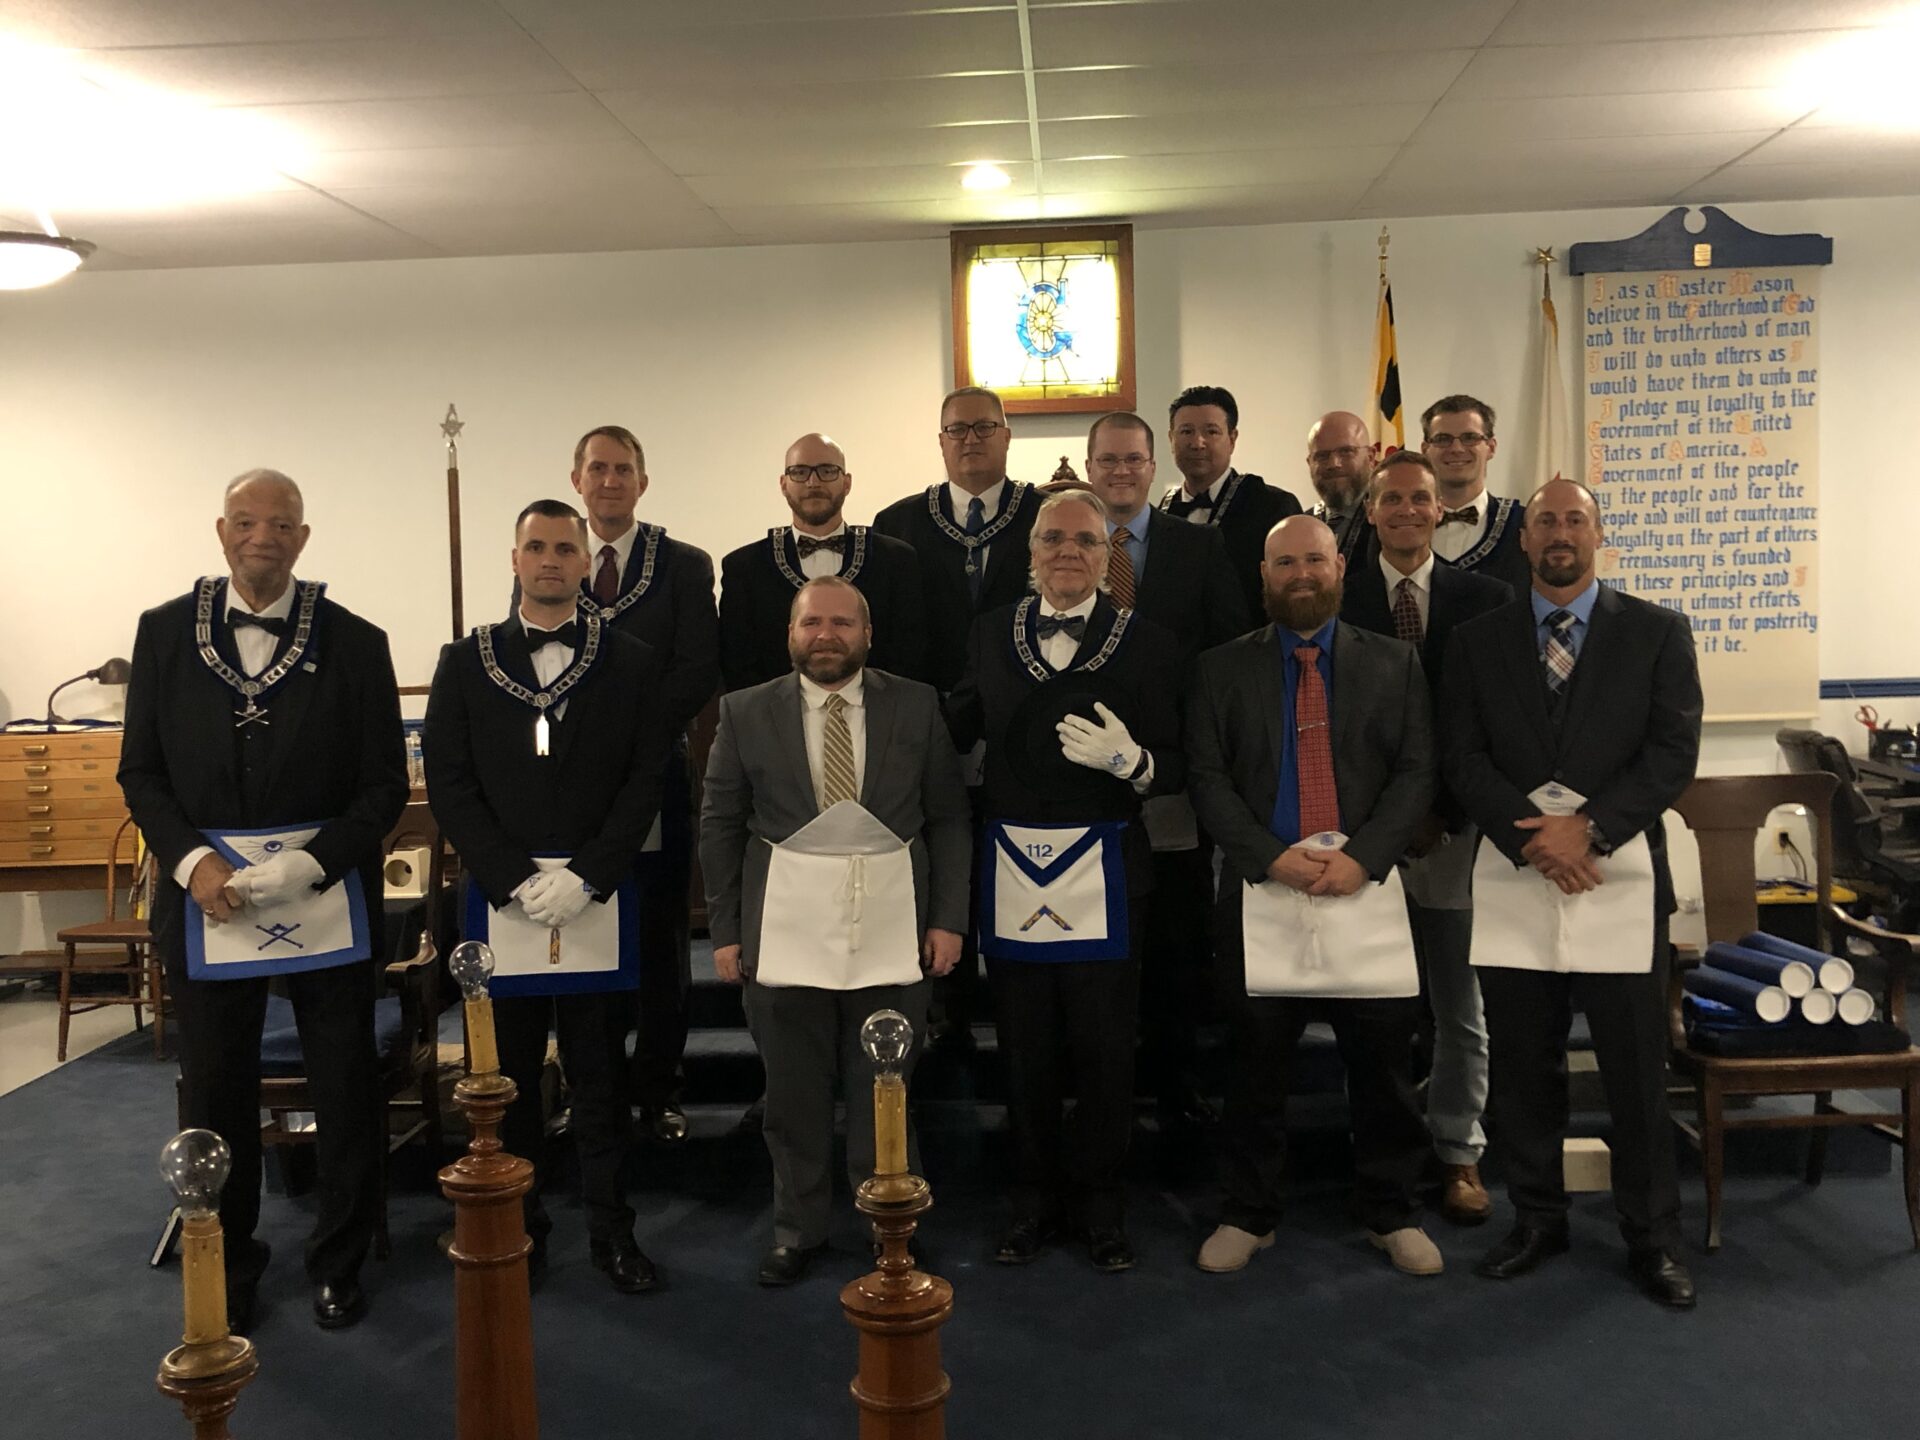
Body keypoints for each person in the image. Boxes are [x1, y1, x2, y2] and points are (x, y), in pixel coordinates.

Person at [120, 469, 407, 1333]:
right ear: (221, 531)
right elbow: (142, 771)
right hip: (209, 906)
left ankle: (341, 1259)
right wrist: (192, 864)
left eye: (280, 523)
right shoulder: (165, 634)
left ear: (303, 536)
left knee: (346, 1086)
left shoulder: (358, 641)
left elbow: (384, 784)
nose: (263, 537)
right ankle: (229, 1262)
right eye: (247, 522)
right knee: (216, 1089)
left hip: (328, 902)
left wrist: (316, 863)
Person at [1441, 477, 1702, 1308]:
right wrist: (1534, 833)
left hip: (1616, 876)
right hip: (1517, 871)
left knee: (1633, 1075)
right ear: (1523, 539)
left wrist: (1588, 830)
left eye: (1575, 519)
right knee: (1524, 1071)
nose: (1560, 532)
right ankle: (1537, 1220)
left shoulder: (1657, 633)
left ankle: (1652, 1239)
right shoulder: (1477, 640)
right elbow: (1462, 756)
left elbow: (1671, 753)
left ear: (1599, 534)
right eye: (1545, 519)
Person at [426, 498, 673, 1293]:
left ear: (581, 559)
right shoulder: (464, 662)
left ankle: (612, 1234)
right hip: (504, 902)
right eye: (536, 546)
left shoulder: (630, 659)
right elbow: (451, 783)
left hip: (598, 897)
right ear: (515, 558)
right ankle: (522, 1230)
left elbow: (647, 778)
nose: (551, 561)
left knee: (602, 1080)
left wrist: (592, 873)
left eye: (565, 548)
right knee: (510, 1079)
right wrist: (513, 878)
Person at [1186, 515, 1442, 1278]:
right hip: (1265, 890)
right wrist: (1271, 858)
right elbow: (1208, 779)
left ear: (1340, 567)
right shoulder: (1218, 670)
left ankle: (1390, 1211)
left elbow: (1416, 773)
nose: (1302, 574)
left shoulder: (1395, 664)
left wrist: (1362, 859)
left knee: (1385, 1070)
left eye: (1315, 560)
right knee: (1254, 1068)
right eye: (1285, 562)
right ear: (1263, 574)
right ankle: (1249, 1211)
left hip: (1365, 888)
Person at [700, 577, 970, 1285]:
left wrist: (946, 919)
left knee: (886, 1084)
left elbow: (946, 816)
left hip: (892, 928)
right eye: (811, 622)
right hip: (783, 931)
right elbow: (721, 824)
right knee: (792, 1097)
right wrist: (726, 930)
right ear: (790, 634)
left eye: (842, 623)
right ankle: (800, 1229)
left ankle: (891, 1223)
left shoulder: (915, 704)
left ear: (867, 633)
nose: (826, 635)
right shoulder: (744, 712)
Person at [947, 490, 1185, 1271]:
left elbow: (1184, 755)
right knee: (1025, 1051)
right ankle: (1030, 1203)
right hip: (1013, 867)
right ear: (1031, 551)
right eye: (1052, 538)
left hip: (1110, 867)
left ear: (1105, 554)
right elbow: (956, 727)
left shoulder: (1146, 642)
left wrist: (1135, 764)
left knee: (1106, 1051)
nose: (1066, 552)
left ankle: (1102, 1209)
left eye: (1084, 540)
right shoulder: (988, 634)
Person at [1340, 452, 1512, 1224]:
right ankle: (1378, 1156)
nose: (1406, 510)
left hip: (1452, 833)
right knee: (1370, 1011)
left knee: (1457, 1006)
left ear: (1439, 509)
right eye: (1391, 499)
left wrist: (1441, 810)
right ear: (1370, 511)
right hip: (1361, 841)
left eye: (1420, 498)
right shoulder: (1335, 597)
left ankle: (1458, 1155)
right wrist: (1382, 825)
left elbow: (1488, 726)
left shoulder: (1487, 599)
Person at [1083, 411, 1249, 1129]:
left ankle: (1175, 1083)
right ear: (1089, 468)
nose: (1121, 472)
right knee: (1095, 941)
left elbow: (1228, 652)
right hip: (1080, 779)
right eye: (1108, 461)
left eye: (1133, 460)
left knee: (1176, 941)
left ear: (1156, 467)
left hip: (1172, 775)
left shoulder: (1197, 548)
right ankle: (1097, 1084)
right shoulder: (1065, 542)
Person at [874, 386, 1041, 1049]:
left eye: (983, 427)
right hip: (926, 726)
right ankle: (945, 1017)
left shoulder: (1046, 514)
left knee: (1013, 865)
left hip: (1021, 729)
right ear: (939, 441)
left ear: (1006, 436)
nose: (970, 439)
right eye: (956, 430)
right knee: (939, 864)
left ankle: (1017, 1010)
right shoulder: (898, 521)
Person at [568, 425, 720, 1144]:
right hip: (574, 795)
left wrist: (629, 739)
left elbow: (696, 670)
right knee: (585, 934)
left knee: (660, 943)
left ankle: (659, 1089)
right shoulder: (556, 559)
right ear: (578, 480)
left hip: (656, 778)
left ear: (642, 482)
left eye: (623, 469)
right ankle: (588, 1089)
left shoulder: (684, 566)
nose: (610, 480)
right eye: (597, 468)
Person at [718, 433, 928, 692]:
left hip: (881, 719)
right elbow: (739, 665)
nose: (813, 481)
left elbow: (910, 654)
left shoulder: (897, 560)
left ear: (847, 482)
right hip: (776, 723)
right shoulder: (744, 568)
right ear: (783, 484)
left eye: (827, 470)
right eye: (800, 472)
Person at [1156, 384, 1303, 621]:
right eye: (1186, 432)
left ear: (1232, 439)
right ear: (1171, 438)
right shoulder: (1163, 510)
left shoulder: (1273, 506)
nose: (1197, 443)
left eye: (1211, 432)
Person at [1419, 394, 1530, 594]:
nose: (1456, 449)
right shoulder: (1399, 525)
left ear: (1491, 447)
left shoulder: (1525, 523)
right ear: (1425, 449)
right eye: (1443, 439)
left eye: (1470, 438)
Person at [1302, 410, 1379, 568]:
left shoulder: (1388, 523)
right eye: (1322, 456)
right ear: (1310, 463)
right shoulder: (1302, 526)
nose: (1334, 464)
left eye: (1346, 452)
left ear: (1371, 457)